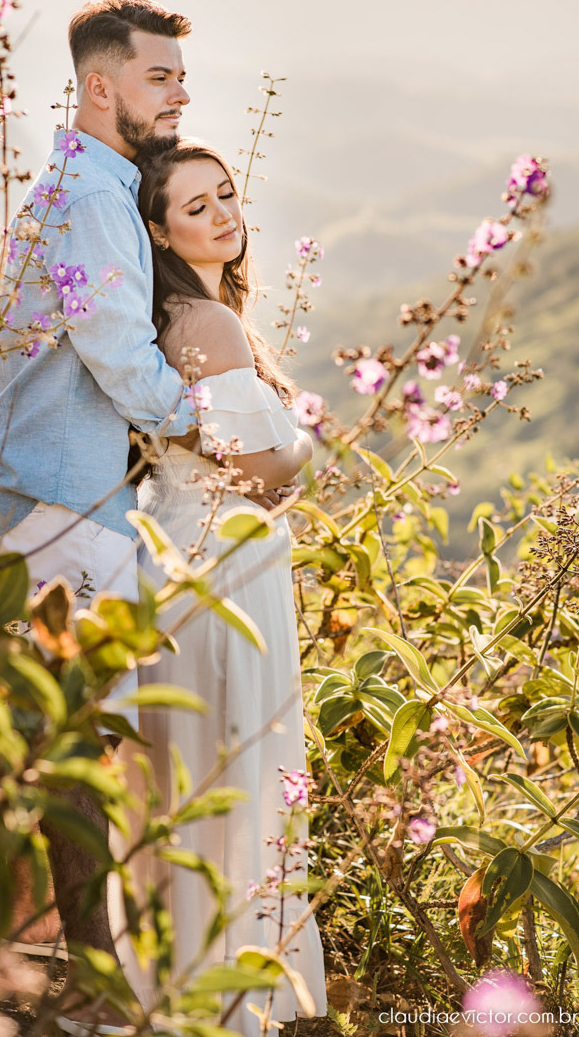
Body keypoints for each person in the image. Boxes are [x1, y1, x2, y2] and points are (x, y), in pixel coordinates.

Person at [0, 0, 200, 1031]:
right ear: (101, 85)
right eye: (161, 76)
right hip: (64, 503)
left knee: (67, 738)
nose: (180, 92)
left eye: (179, 77)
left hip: (62, 494)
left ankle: (48, 973)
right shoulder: (90, 199)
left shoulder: (91, 185)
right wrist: (233, 423)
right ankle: (92, 994)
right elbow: (122, 362)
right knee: (77, 744)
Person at [124, 141, 329, 1035]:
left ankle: (190, 981)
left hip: (200, 558)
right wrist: (311, 445)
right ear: (160, 231)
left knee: (198, 777)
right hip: (216, 573)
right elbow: (261, 472)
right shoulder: (204, 325)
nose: (223, 215)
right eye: (196, 206)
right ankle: (218, 996)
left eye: (227, 194)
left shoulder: (198, 312)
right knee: (230, 773)